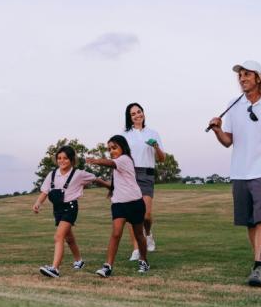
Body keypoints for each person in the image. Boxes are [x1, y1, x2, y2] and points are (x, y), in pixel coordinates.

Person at [208, 60, 261, 288]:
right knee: (249, 222)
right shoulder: (233, 105)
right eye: (240, 75)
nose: (242, 78)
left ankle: (257, 266)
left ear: (258, 78)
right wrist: (217, 130)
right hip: (239, 172)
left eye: (246, 74)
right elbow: (227, 142)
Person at [33, 145, 110, 278]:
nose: (62, 161)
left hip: (70, 208)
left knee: (58, 237)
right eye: (59, 158)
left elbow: (94, 178)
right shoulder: (52, 174)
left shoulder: (78, 174)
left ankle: (55, 269)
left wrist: (109, 186)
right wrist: (38, 203)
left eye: (65, 158)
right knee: (69, 238)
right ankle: (79, 261)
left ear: (72, 160)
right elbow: (45, 191)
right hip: (57, 210)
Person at [86, 135, 150, 277]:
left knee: (139, 235)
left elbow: (110, 163)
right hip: (119, 204)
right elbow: (113, 186)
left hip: (135, 203)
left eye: (114, 148)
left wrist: (95, 161)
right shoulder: (116, 167)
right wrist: (97, 180)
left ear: (123, 147)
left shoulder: (125, 159)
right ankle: (107, 266)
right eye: (109, 149)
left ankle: (144, 261)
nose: (112, 151)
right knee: (116, 234)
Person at [120, 102, 166, 261]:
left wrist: (156, 147)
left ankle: (148, 234)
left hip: (147, 174)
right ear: (129, 118)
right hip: (131, 174)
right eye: (133, 114)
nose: (137, 115)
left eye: (139, 112)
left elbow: (162, 158)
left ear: (143, 114)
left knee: (146, 215)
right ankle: (136, 249)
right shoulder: (125, 135)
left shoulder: (153, 133)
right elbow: (120, 158)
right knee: (133, 215)